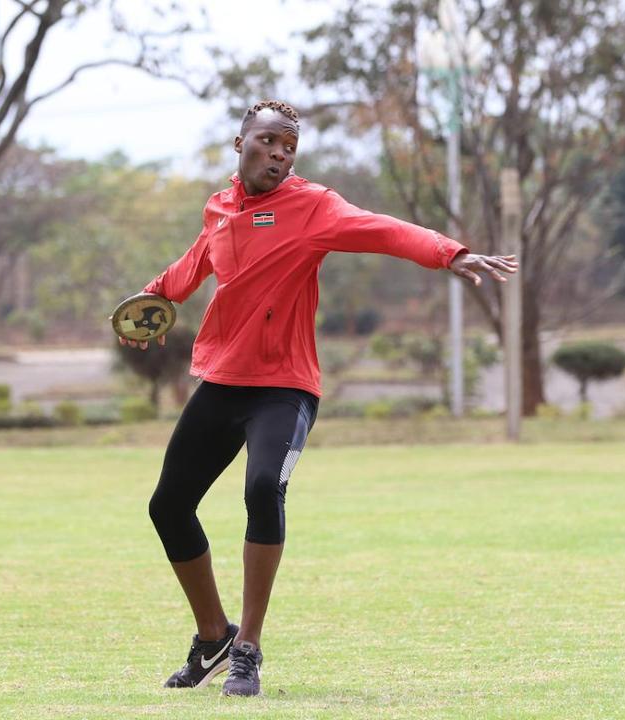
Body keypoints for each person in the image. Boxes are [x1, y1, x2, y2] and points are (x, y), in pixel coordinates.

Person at [118, 100, 518, 697]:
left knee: (263, 489)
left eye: (290, 147)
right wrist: (147, 303)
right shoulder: (220, 209)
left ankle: (248, 648)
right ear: (241, 143)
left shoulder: (313, 207)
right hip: (224, 382)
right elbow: (194, 264)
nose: (279, 154)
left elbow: (383, 229)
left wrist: (449, 251)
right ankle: (213, 637)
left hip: (284, 388)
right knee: (168, 506)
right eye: (269, 141)